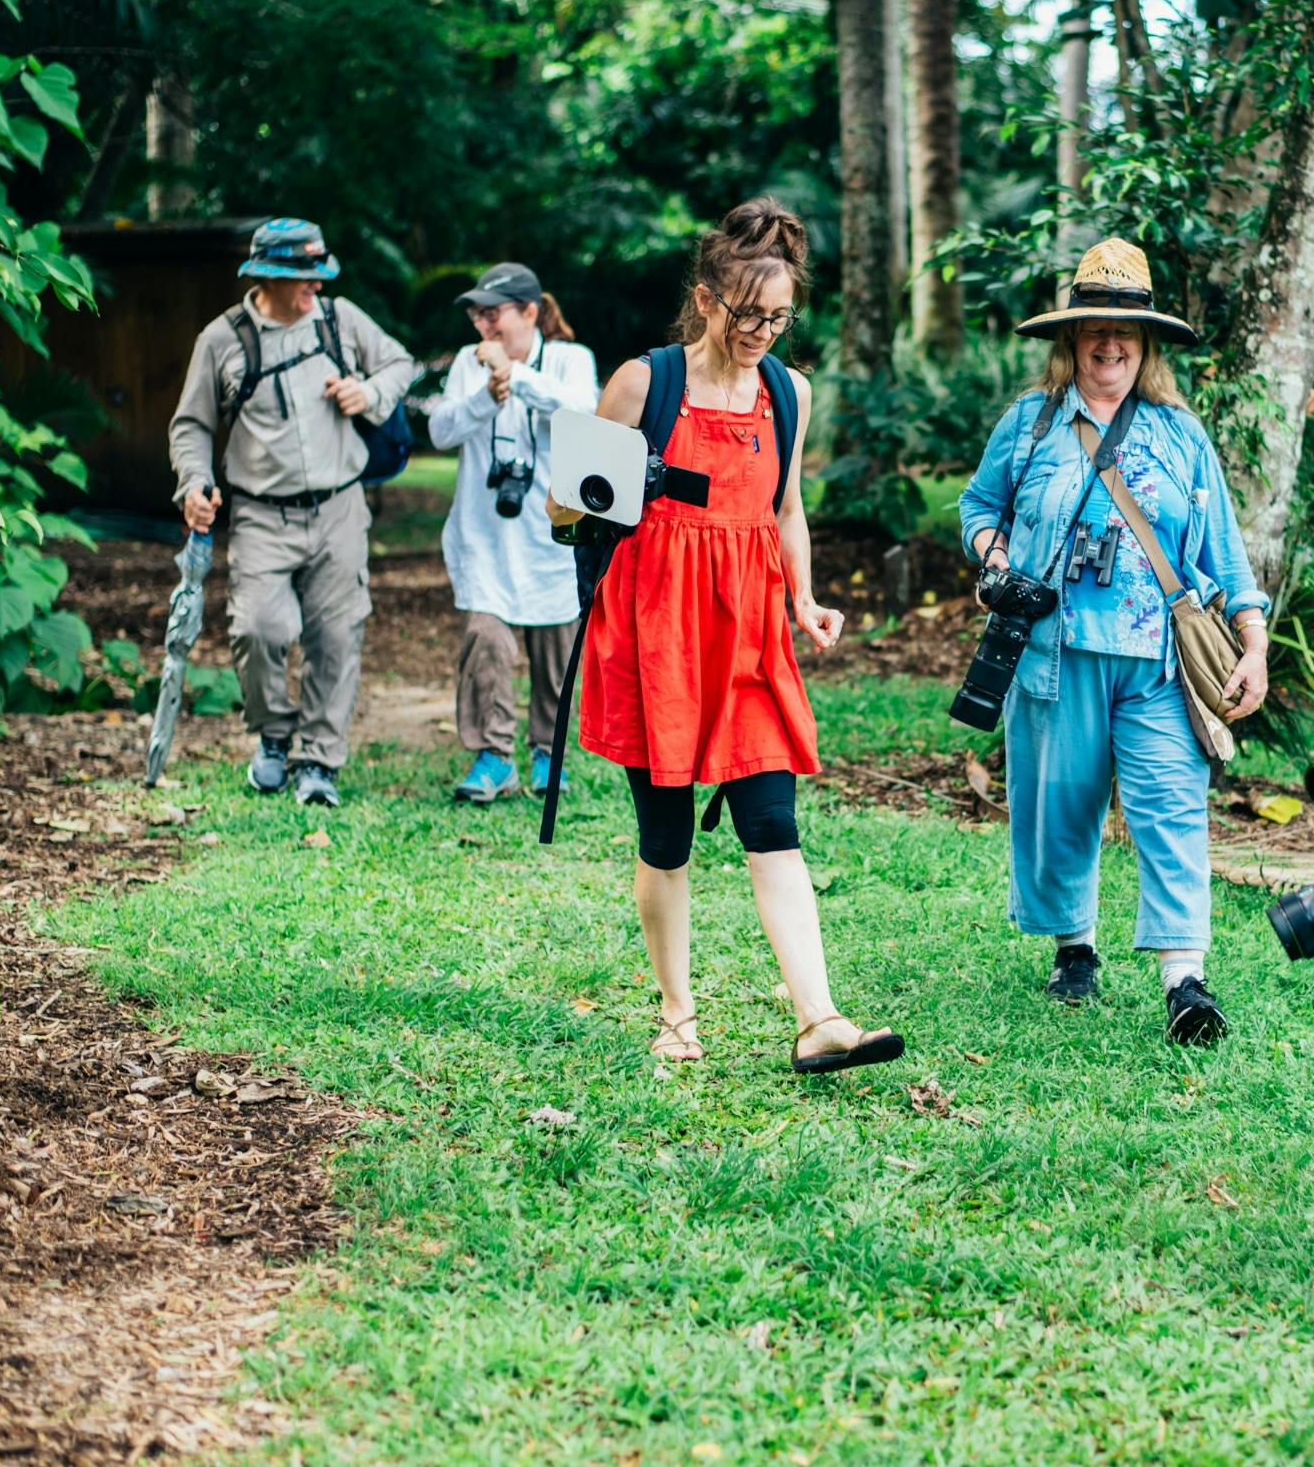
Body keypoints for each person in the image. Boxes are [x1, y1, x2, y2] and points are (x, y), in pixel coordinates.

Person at [551, 198, 904, 1074]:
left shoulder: (790, 390)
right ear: (707, 298)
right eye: (748, 314)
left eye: (778, 317)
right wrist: (600, 485)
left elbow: (786, 509)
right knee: (664, 837)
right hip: (656, 626)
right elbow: (565, 508)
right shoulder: (644, 383)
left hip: (748, 629)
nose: (762, 333)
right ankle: (677, 1017)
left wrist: (805, 600)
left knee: (772, 822)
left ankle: (819, 1019)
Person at [958, 238, 1271, 1044]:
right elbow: (978, 506)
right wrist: (995, 558)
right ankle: (1076, 948)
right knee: (1062, 808)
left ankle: (1185, 979)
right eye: (1094, 328)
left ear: (1147, 344)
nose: (1109, 344)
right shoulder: (1029, 424)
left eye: (1125, 331)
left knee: (1171, 810)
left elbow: (1226, 556)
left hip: (1161, 662)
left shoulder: (1178, 435)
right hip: (1055, 654)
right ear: (1071, 339)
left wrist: (1255, 642)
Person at [169, 218, 418, 806]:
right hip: (261, 515)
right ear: (267, 277)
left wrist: (370, 393)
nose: (317, 286)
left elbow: (399, 364)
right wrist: (194, 482)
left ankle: (319, 763)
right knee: (260, 629)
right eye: (305, 276)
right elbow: (192, 425)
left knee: (337, 636)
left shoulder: (340, 319)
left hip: (339, 509)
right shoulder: (222, 339)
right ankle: (275, 738)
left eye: (319, 274)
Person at [428, 263, 599, 803]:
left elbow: (586, 412)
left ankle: (549, 754)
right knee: (485, 636)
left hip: (552, 530)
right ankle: (493, 756)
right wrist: (489, 393)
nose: (483, 323)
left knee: (555, 647)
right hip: (483, 533)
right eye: (477, 313)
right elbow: (439, 429)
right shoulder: (466, 362)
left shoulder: (571, 359)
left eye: (493, 312)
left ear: (529, 312)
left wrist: (516, 376)